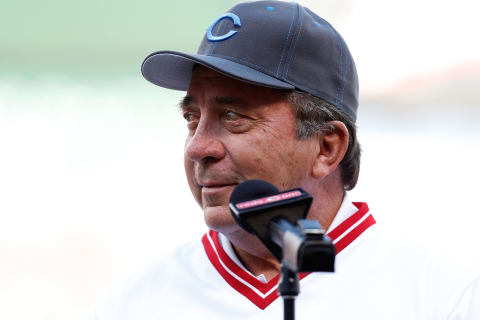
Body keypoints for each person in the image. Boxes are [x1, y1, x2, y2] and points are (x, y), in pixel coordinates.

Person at [91, 1, 480, 319]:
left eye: (233, 117)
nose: (198, 147)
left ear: (327, 147)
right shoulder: (133, 302)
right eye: (192, 118)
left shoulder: (445, 297)